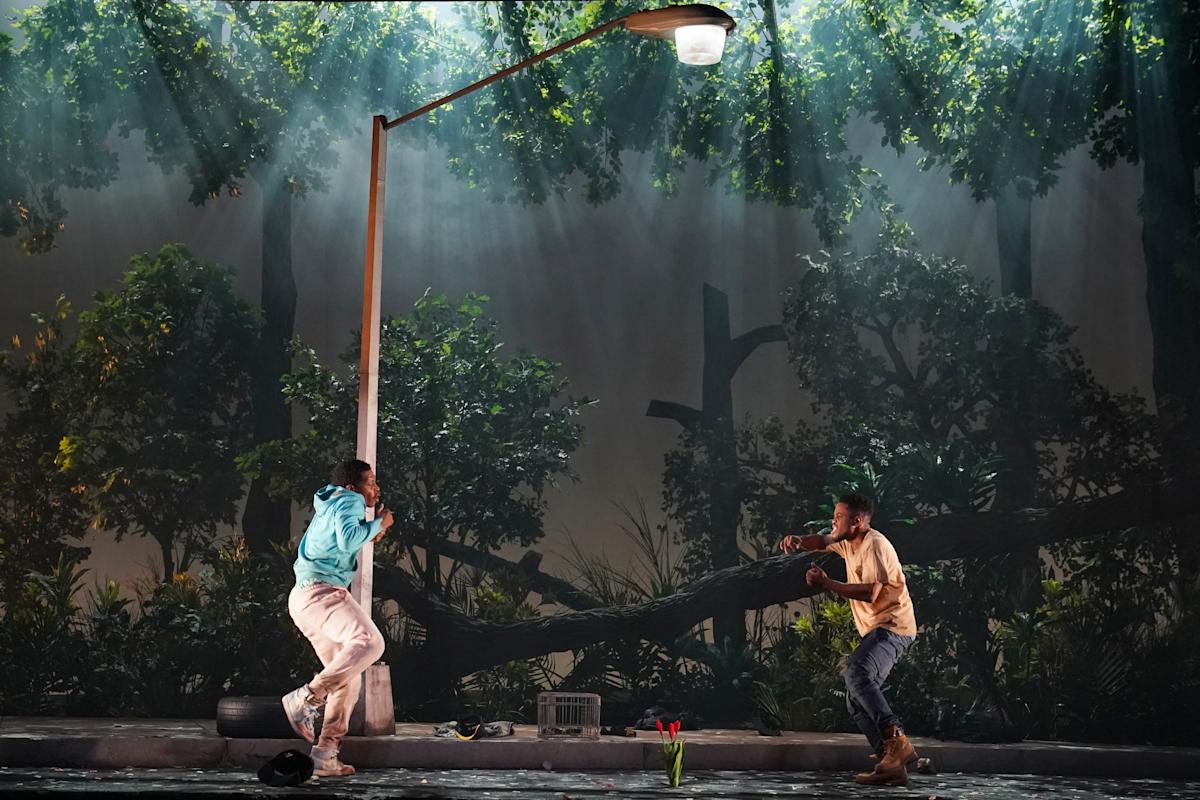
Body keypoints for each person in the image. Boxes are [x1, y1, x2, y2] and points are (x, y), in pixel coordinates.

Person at [779, 492, 919, 786]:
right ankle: (890, 763)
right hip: (877, 629)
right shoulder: (847, 541)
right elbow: (822, 540)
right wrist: (799, 540)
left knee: (857, 673)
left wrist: (827, 583)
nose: (834, 522)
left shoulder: (875, 545)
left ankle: (897, 741)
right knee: (855, 699)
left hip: (893, 627)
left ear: (856, 521)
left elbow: (871, 592)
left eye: (839, 517)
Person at [281, 458, 393, 778]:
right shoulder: (349, 499)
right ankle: (307, 697)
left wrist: (369, 532)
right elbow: (347, 539)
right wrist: (379, 524)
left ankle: (324, 755)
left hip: (304, 599)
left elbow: (343, 538)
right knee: (370, 643)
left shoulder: (332, 503)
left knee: (347, 677)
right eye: (370, 482)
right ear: (352, 486)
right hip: (322, 592)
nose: (375, 488)